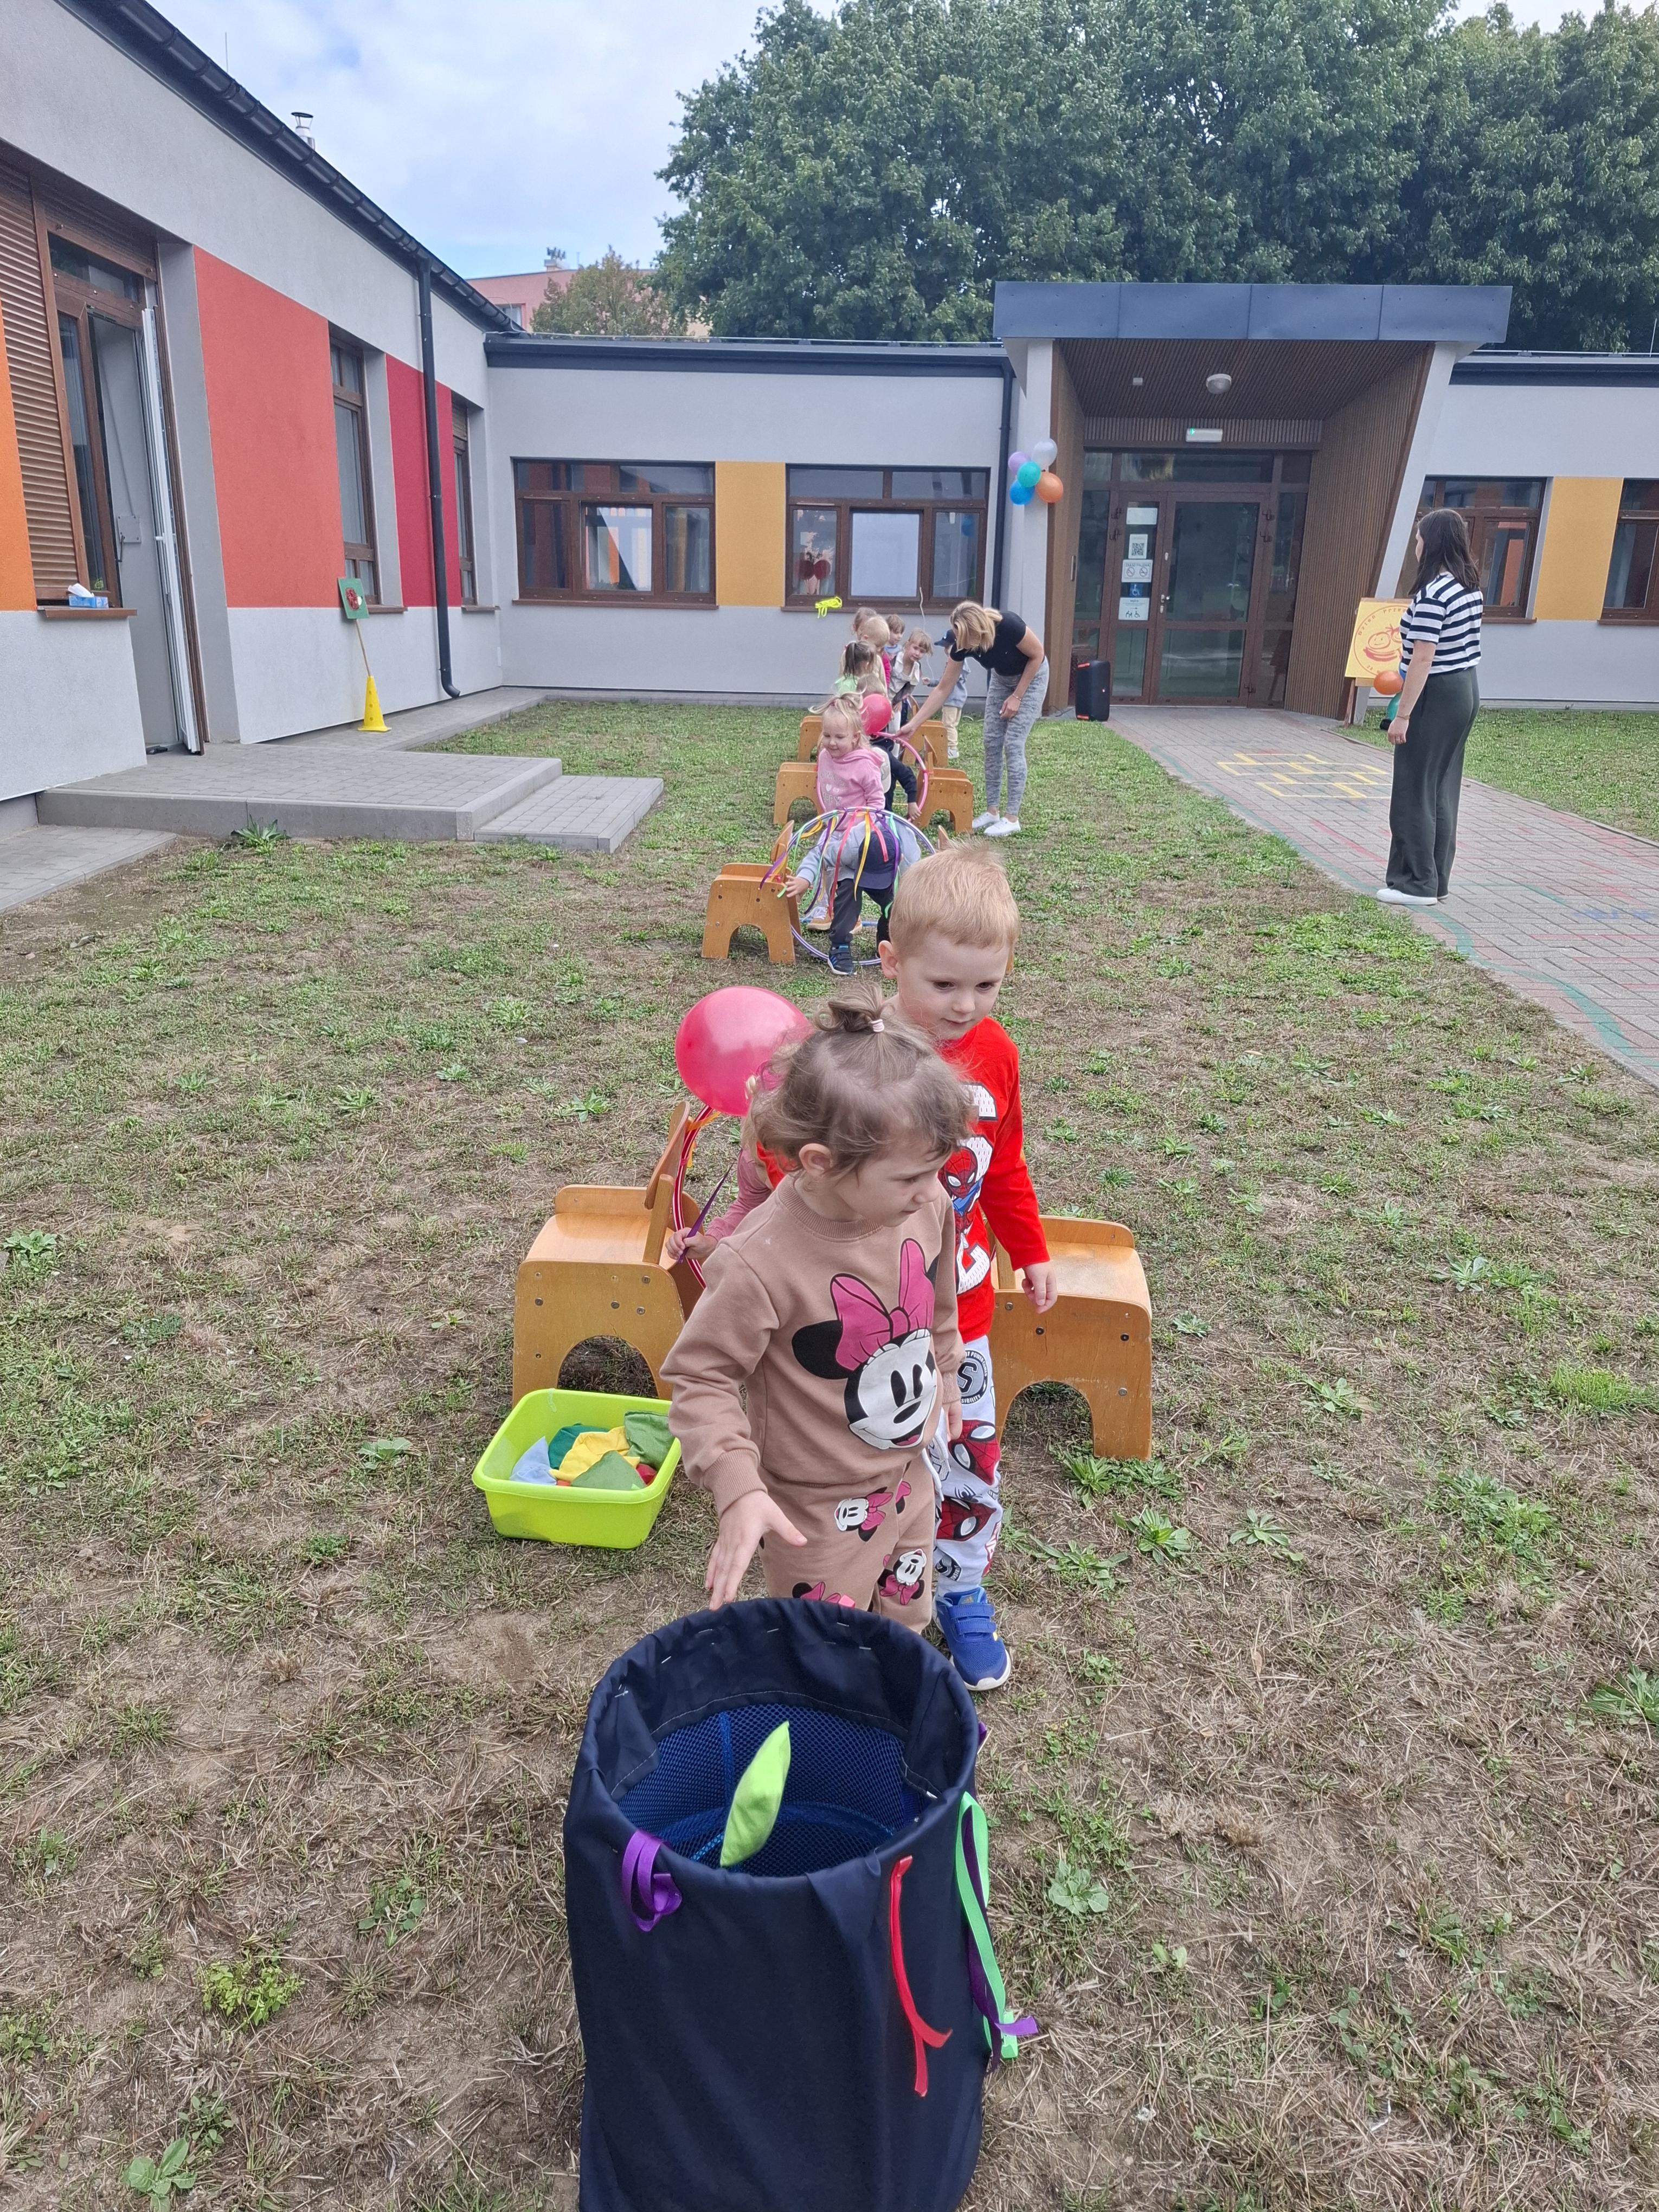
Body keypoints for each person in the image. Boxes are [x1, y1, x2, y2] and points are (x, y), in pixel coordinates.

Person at [661, 985, 970, 1621]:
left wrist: (945, 1371)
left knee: (905, 1621)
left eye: (936, 1170)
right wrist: (737, 1487)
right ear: (822, 1163)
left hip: (910, 1476)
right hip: (816, 1510)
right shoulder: (760, 1261)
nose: (931, 1191)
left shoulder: (926, 1206)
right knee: (824, 1645)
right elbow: (700, 1375)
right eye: (910, 1177)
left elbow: (937, 1299)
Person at [878, 845, 1053, 1689]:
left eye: (987, 985)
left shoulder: (998, 1054)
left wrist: (1031, 1248)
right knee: (878, 1459)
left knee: (967, 1458)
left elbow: (1003, 1164)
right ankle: (881, 1594)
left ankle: (959, 1587)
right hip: (871, 1312)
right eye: (943, 983)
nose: (964, 1005)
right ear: (892, 960)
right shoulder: (859, 1058)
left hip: (966, 1310)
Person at [1379, 508, 1483, 907]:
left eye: (1419, 540)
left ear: (1432, 543)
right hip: (1464, 688)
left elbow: (1423, 658)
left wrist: (1402, 715)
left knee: (1413, 789)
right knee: (1441, 788)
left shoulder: (1434, 594)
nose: (1416, 547)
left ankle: (1415, 882)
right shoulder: (1468, 587)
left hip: (1435, 693)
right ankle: (1436, 879)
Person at [908, 601, 1046, 838]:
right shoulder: (961, 644)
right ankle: (992, 812)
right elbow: (943, 689)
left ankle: (1012, 818)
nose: (960, 645)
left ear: (978, 630)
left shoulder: (1009, 625)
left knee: (1013, 743)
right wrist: (913, 725)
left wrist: (1017, 696)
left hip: (1032, 679)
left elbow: (1038, 655)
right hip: (1002, 680)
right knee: (991, 741)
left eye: (964, 637)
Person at [810, 695, 902, 972]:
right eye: (827, 735)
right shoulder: (825, 756)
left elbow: (878, 804)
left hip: (864, 840)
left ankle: (889, 937)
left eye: (839, 737)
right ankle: (840, 945)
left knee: (887, 895)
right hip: (838, 837)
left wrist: (860, 828)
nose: (831, 742)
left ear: (855, 737)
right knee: (846, 894)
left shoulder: (864, 765)